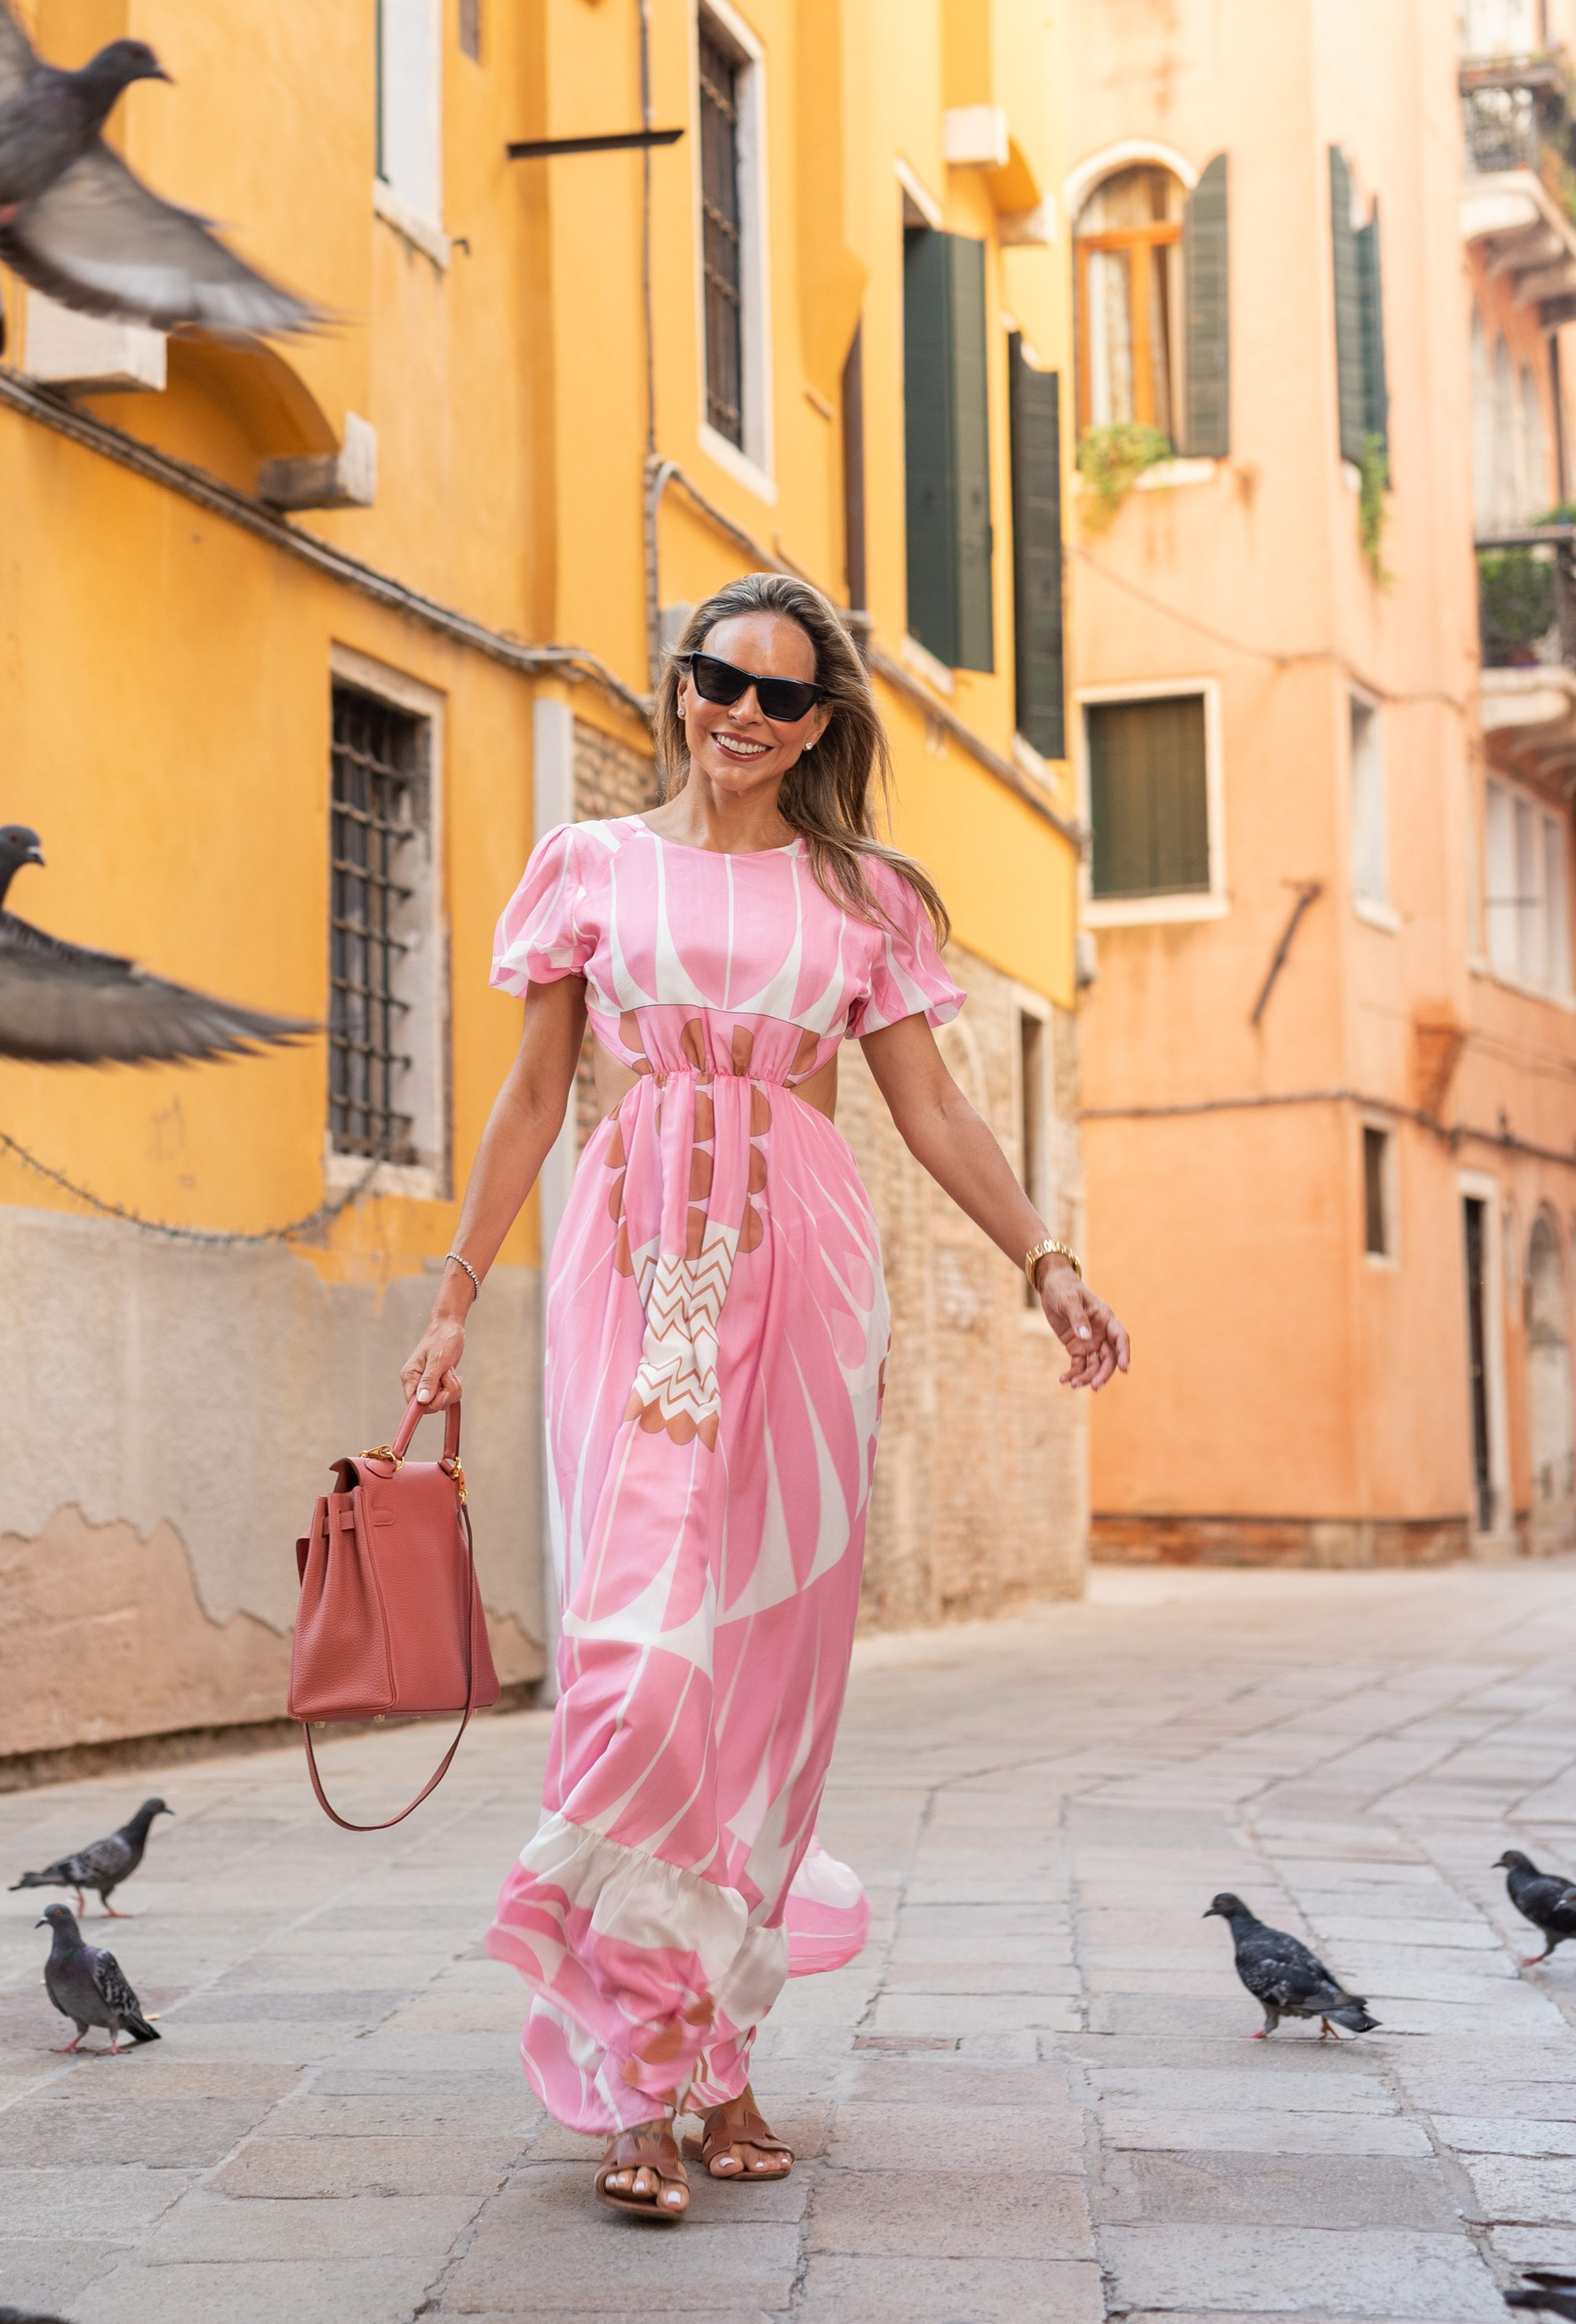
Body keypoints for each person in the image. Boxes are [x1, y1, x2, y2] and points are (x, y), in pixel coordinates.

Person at [401, 571, 1129, 2225]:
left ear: (818, 725)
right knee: (636, 1659)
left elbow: (932, 1110)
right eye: (719, 676)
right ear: (676, 686)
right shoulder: (587, 867)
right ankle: (619, 2081)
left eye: (782, 695)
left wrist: (1041, 1261)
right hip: (634, 1276)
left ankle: (713, 2055)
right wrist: (449, 1299)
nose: (743, 710)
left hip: (800, 1288)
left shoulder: (861, 894)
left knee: (763, 1680)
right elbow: (528, 1101)